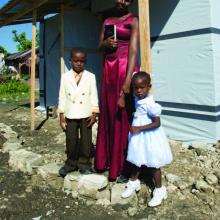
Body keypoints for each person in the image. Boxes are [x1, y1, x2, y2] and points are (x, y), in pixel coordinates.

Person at [95, 0, 139, 182]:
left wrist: (128, 81)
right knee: (108, 114)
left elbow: (134, 50)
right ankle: (105, 161)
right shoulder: (107, 20)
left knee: (123, 116)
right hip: (108, 70)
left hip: (124, 69)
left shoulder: (133, 20)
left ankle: (122, 166)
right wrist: (105, 43)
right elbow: (98, 47)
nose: (122, 1)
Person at [121, 71, 173, 207]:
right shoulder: (137, 98)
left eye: (141, 87)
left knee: (153, 162)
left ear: (149, 87)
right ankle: (134, 182)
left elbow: (157, 123)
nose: (138, 91)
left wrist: (139, 128)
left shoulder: (151, 103)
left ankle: (160, 190)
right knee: (136, 158)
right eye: (135, 88)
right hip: (139, 136)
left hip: (149, 135)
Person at [58, 48, 99, 177]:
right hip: (70, 113)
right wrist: (61, 115)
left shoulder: (90, 76)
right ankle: (71, 163)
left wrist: (94, 113)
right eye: (76, 60)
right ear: (70, 60)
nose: (79, 63)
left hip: (86, 112)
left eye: (82, 61)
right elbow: (62, 96)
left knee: (86, 141)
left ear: (85, 61)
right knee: (71, 140)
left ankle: (85, 164)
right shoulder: (65, 77)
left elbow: (94, 96)